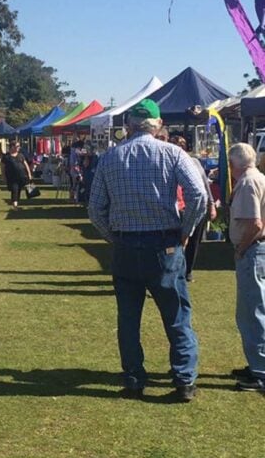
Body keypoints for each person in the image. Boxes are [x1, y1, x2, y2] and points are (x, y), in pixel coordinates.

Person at [88, 99, 207, 402]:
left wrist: (113, 237)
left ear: (128, 126)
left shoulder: (110, 157)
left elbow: (95, 209)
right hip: (164, 244)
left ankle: (133, 378)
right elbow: (198, 195)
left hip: (126, 245)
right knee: (176, 315)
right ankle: (184, 380)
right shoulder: (173, 153)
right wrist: (185, 231)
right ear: (158, 125)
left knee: (128, 318)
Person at [227, 143, 265, 391]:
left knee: (253, 311)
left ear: (233, 164)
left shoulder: (248, 183)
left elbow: (255, 223)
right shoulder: (259, 178)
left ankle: (260, 370)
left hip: (252, 250)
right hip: (258, 249)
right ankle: (257, 363)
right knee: (254, 309)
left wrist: (241, 248)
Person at [169, 135, 217, 281]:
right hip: (177, 207)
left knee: (194, 240)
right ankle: (173, 271)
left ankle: (188, 271)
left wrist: (211, 204)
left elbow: (204, 185)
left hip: (194, 205)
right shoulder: (167, 161)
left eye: (182, 145)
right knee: (174, 242)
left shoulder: (194, 162)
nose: (179, 148)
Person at [1, 139, 32, 209]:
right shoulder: (6, 157)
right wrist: (3, 176)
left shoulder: (21, 155)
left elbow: (26, 165)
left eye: (19, 146)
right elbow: (2, 167)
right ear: (12, 147)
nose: (19, 147)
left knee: (19, 190)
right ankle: (15, 205)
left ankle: (16, 203)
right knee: (14, 189)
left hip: (21, 176)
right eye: (17, 146)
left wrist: (29, 174)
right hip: (12, 177)